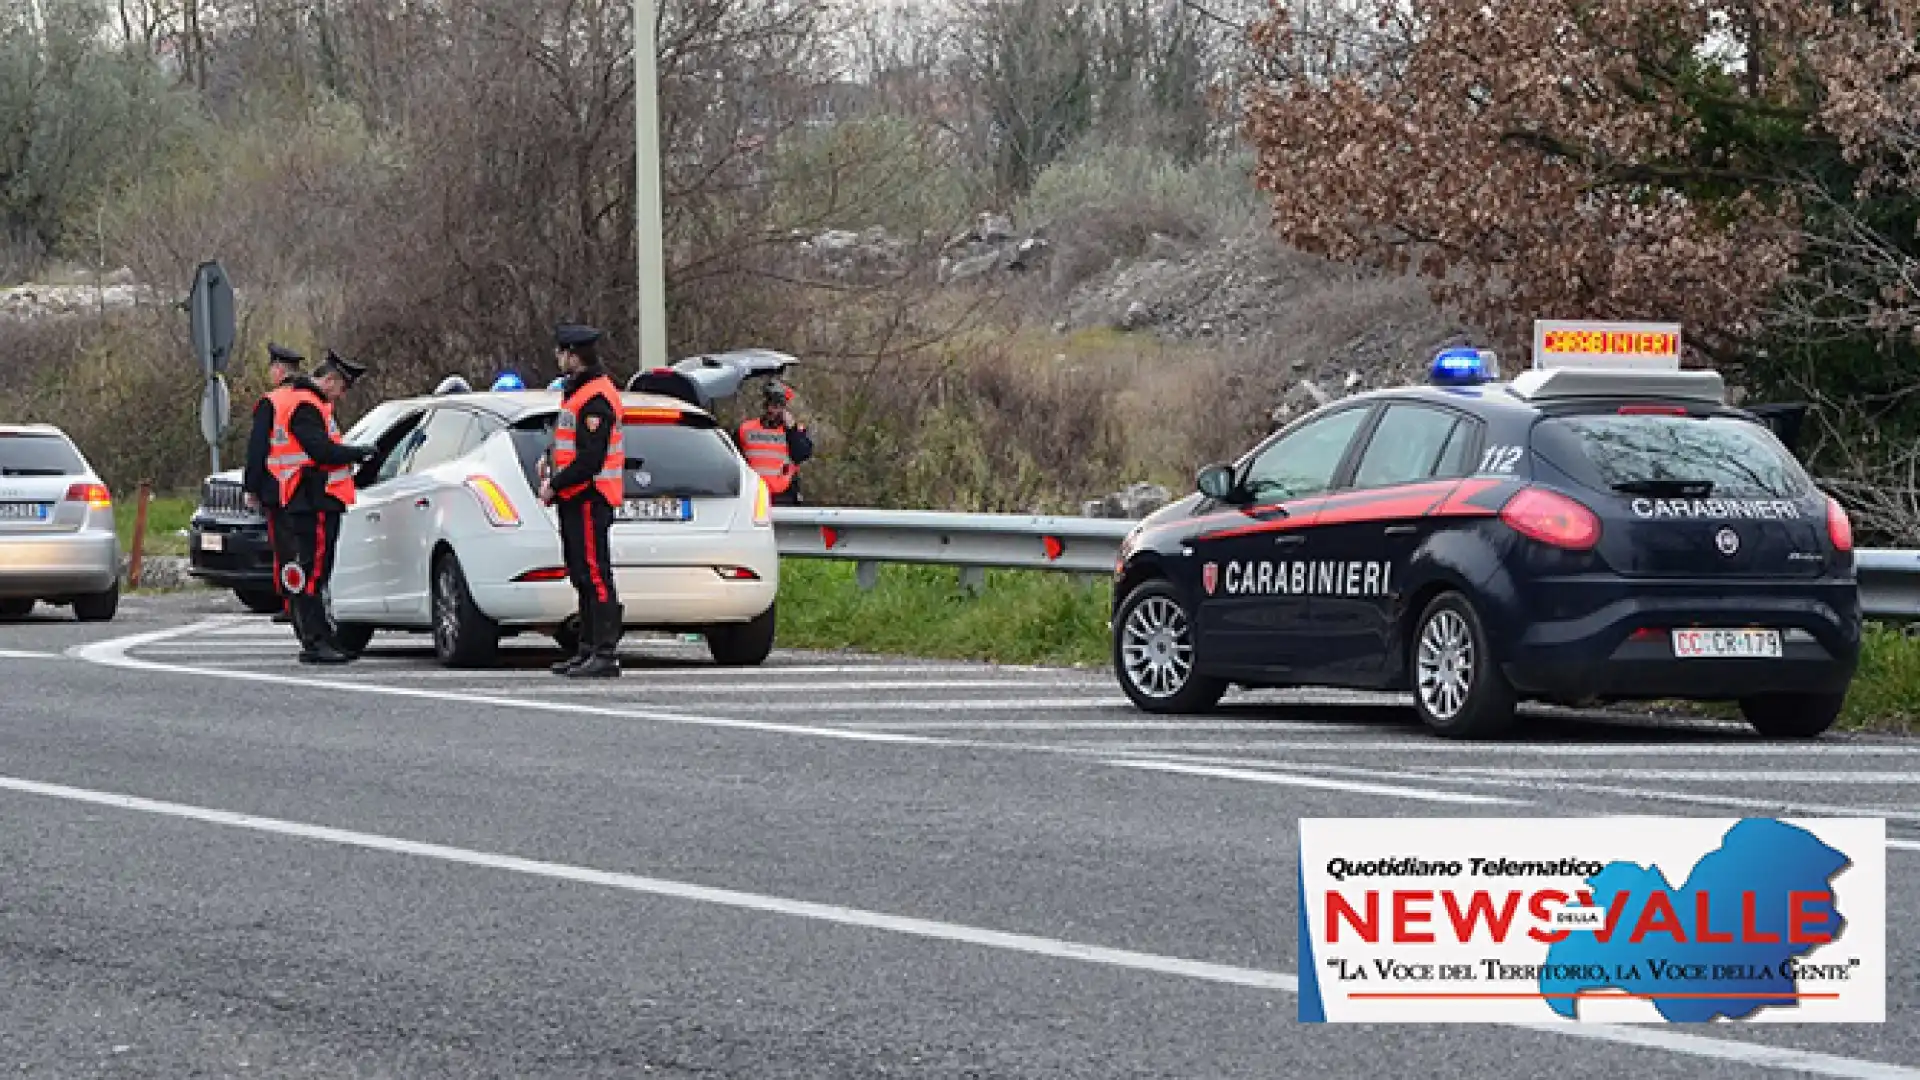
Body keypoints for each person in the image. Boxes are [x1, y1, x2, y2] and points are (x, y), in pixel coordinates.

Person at [266, 350, 375, 664]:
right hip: (312, 497)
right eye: (342, 388)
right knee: (313, 573)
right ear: (330, 380)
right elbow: (320, 450)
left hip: (315, 496)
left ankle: (322, 638)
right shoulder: (305, 405)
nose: (341, 396)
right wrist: (357, 453)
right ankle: (314, 641)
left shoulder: (308, 403)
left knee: (316, 572)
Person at [540, 323, 625, 678]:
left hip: (590, 496)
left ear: (574, 355)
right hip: (575, 498)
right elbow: (569, 444)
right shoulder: (578, 393)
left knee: (595, 574)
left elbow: (591, 459)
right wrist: (550, 460)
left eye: (561, 352)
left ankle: (604, 652)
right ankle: (587, 648)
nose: (558, 358)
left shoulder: (596, 398)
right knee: (581, 574)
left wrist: (555, 484)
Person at [245, 343, 304, 624]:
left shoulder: (271, 403)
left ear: (279, 370)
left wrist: (251, 486)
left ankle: (291, 601)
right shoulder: (311, 399)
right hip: (310, 488)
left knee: (284, 547)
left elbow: (258, 449)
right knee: (305, 548)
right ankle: (303, 600)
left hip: (279, 487)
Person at [734, 380, 813, 506]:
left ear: (784, 408)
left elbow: (801, 454)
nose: (771, 410)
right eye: (769, 405)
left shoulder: (794, 431)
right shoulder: (745, 429)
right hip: (752, 497)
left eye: (776, 406)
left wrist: (791, 429)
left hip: (783, 497)